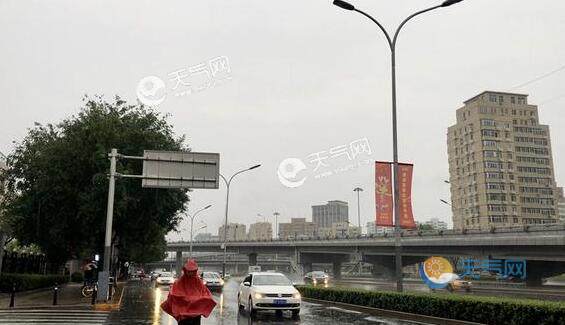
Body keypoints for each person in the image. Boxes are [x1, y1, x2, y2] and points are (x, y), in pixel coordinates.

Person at [161, 259, 216, 325]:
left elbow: (205, 293)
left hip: (196, 313)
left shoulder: (198, 282)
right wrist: (185, 300)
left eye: (192, 271)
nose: (190, 273)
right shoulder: (180, 282)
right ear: (185, 270)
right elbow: (173, 294)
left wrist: (200, 300)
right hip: (183, 315)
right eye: (189, 271)